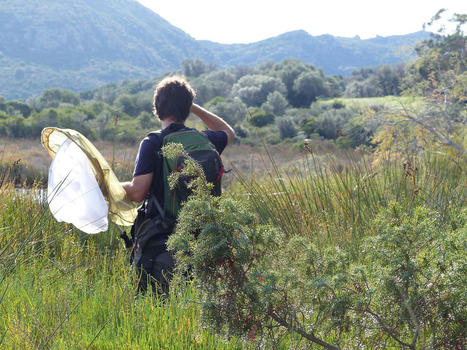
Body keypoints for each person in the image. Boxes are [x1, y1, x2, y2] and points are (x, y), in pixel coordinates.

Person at [122, 76, 235, 294]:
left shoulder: (153, 142)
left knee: (156, 315)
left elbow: (137, 192)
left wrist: (108, 184)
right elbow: (228, 130)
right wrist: (192, 107)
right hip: (205, 245)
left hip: (163, 248)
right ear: (187, 109)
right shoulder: (207, 139)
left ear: (157, 108)